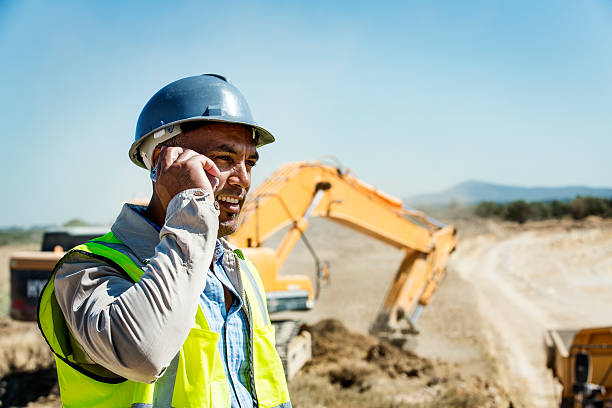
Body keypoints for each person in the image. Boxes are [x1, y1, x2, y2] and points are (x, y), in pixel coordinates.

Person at [38, 74, 292, 408]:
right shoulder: (86, 271)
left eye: (250, 162)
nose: (244, 178)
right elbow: (143, 354)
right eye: (224, 159)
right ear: (162, 161)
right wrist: (190, 205)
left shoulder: (242, 272)